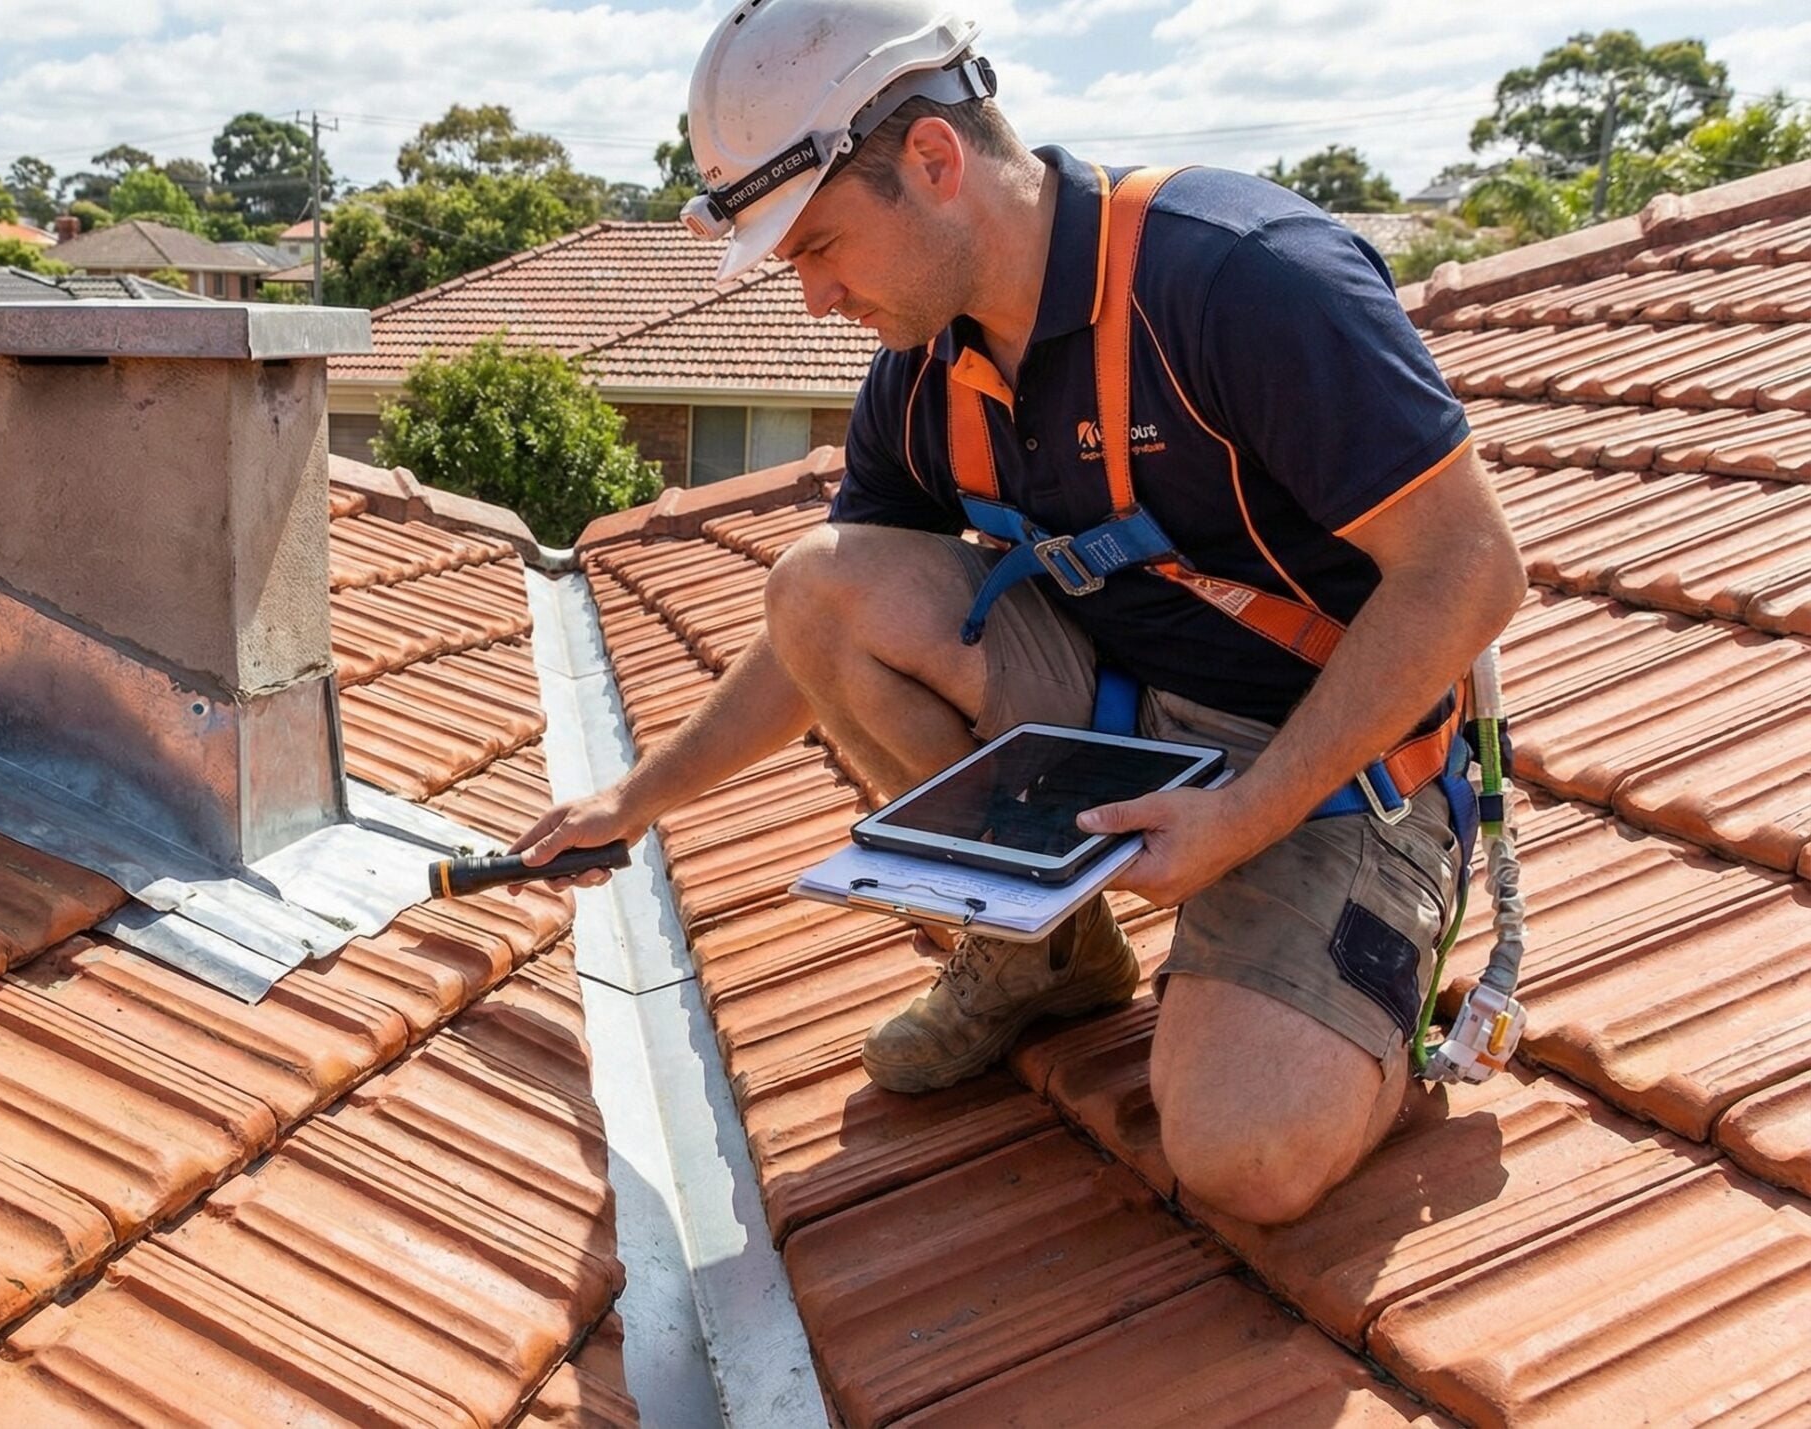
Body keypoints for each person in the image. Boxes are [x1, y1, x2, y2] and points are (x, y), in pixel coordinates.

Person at [513, 0, 1525, 1226]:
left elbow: (1471, 571)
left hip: (1335, 760)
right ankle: (1046, 955)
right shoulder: (925, 371)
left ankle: (1353, 988)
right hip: (1133, 715)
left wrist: (1242, 821)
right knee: (820, 583)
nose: (815, 299)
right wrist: (636, 800)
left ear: (934, 164)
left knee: (1243, 1158)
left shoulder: (1240, 279)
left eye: (820, 246)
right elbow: (812, 637)